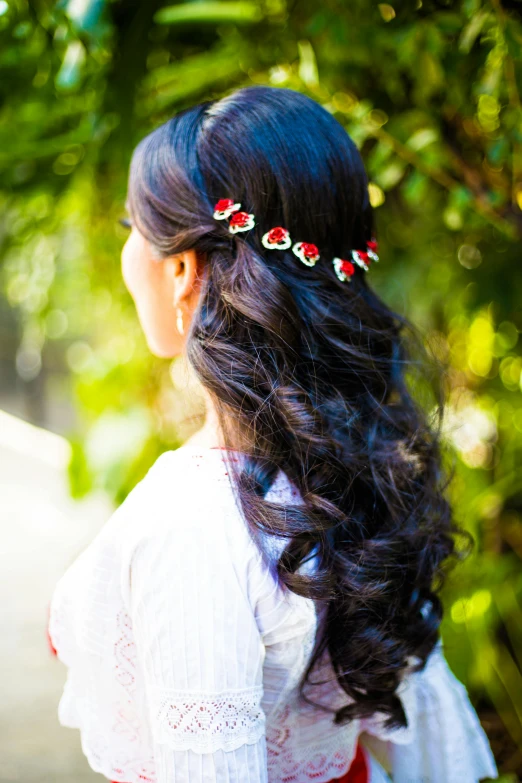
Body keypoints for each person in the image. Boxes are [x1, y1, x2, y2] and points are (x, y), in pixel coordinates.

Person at [48, 86, 498, 783]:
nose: (125, 248)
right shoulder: (355, 469)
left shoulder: (191, 525)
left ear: (181, 270)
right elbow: (438, 750)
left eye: (129, 225)